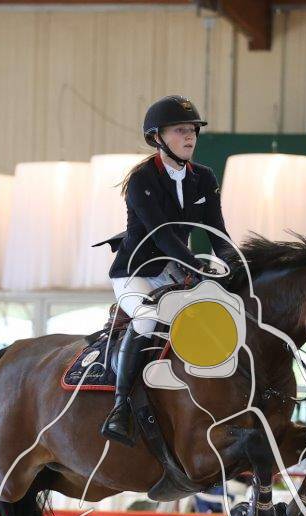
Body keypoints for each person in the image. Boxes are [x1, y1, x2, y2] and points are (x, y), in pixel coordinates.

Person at [99, 96, 229, 445]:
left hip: (174, 269)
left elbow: (217, 232)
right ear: (157, 137)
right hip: (135, 273)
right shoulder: (142, 179)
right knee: (148, 318)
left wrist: (235, 266)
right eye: (180, 130)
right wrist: (196, 266)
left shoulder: (204, 178)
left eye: (193, 131)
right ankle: (120, 406)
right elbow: (162, 233)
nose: (189, 137)